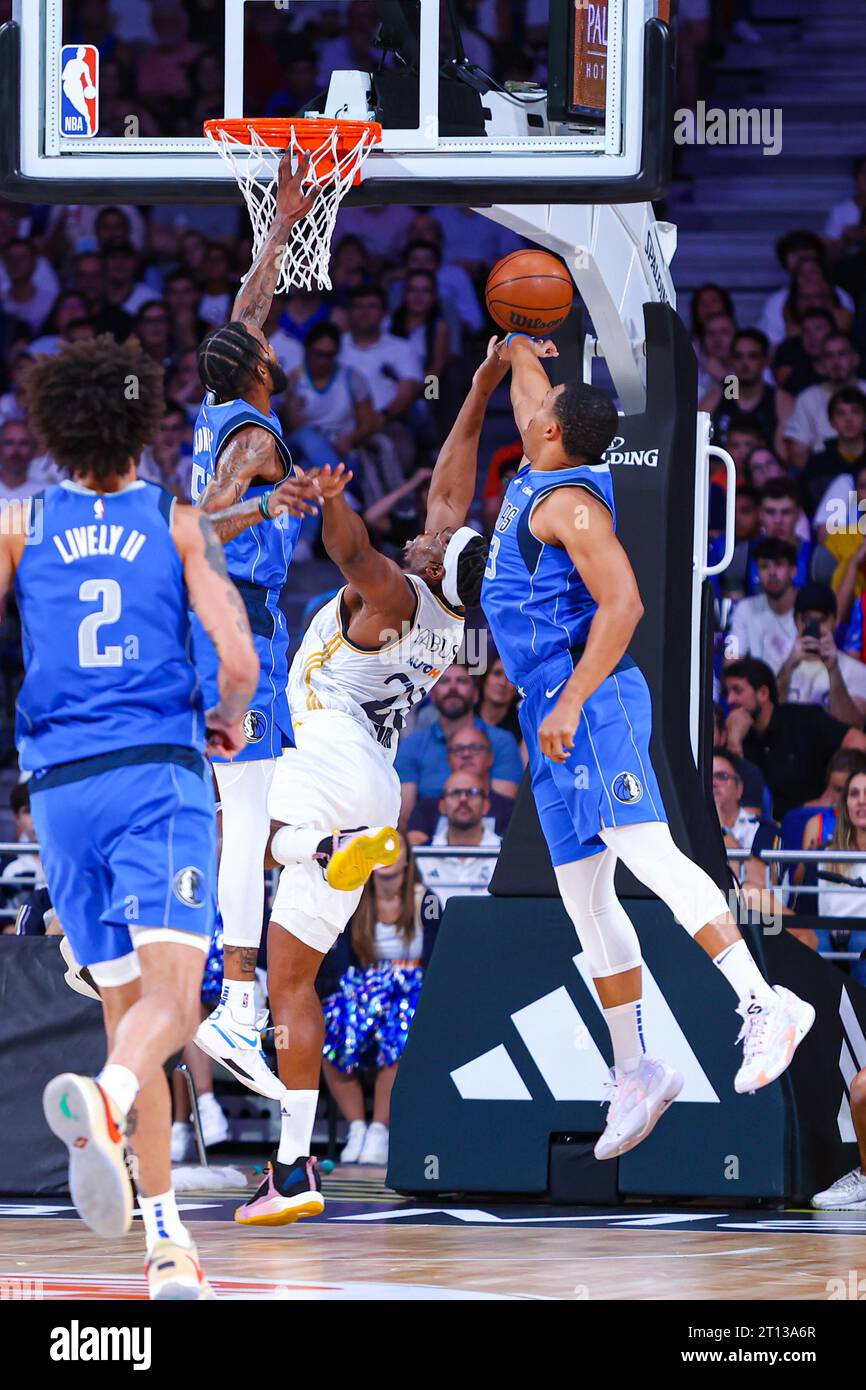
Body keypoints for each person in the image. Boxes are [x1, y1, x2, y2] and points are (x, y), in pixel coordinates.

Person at [480, 332, 816, 1166]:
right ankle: (636, 1070)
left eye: (542, 406)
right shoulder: (540, 461)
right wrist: (512, 348)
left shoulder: (571, 505)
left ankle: (763, 1004)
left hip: (587, 698)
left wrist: (574, 697)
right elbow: (529, 387)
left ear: (553, 433)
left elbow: (624, 606)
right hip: (546, 709)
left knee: (648, 853)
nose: (534, 407)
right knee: (585, 901)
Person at [0, 335, 261, 1299]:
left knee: (131, 1018)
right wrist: (227, 723)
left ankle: (167, 1246)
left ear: (55, 429)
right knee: (176, 1004)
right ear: (142, 422)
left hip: (59, 790)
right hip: (156, 772)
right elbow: (236, 662)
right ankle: (106, 1104)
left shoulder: (19, 520)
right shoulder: (175, 520)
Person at [232, 341, 504, 1226]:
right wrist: (481, 385)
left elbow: (354, 558)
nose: (428, 524)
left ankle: (324, 849)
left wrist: (336, 503)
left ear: (430, 565)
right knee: (291, 980)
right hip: (374, 785)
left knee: (224, 811)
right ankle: (294, 1165)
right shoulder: (455, 612)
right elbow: (453, 486)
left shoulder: (394, 591)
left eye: (431, 539)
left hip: (326, 760)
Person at [188, 154, 324, 1104]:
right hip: (245, 634)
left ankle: (94, 931)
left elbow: (249, 303)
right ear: (265, 368)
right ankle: (238, 1007)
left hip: (212, 628)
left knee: (249, 812)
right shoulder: (256, 439)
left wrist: (281, 222)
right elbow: (205, 517)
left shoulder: (222, 395)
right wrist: (273, 503)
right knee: (246, 823)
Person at [322, 834, 440, 1166]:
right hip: (365, 987)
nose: (387, 857)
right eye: (380, 851)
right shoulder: (354, 900)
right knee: (330, 1027)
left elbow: (435, 958)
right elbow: (343, 961)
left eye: (395, 849)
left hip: (412, 986)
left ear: (407, 859)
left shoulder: (425, 901)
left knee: (399, 1030)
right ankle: (357, 1126)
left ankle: (380, 1129)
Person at [722, 656, 866, 819]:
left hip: (813, 824)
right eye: (727, 692)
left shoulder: (803, 719)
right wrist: (734, 742)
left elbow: (859, 742)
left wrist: (834, 789)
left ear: (763, 693)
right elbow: (729, 794)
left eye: (737, 690)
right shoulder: (735, 733)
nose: (729, 700)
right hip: (759, 832)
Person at [396, 662, 523, 825]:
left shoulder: (501, 741)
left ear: (476, 694)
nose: (453, 688)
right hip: (425, 842)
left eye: (462, 681)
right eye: (444, 681)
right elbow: (405, 815)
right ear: (432, 695)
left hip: (490, 840)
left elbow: (503, 814)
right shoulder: (412, 744)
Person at [408, 724, 516, 842]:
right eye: (458, 749)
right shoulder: (426, 809)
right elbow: (414, 850)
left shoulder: (512, 810)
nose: (466, 754)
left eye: (475, 748)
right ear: (448, 759)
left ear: (490, 757)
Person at [776, 583, 866, 725]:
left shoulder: (857, 671)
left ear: (836, 621)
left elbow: (854, 727)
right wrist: (788, 667)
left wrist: (833, 670)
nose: (815, 628)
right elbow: (769, 721)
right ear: (795, 621)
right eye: (807, 620)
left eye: (822, 620)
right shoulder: (777, 664)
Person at [416, 770, 502, 905]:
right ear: (442, 805)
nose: (463, 799)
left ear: (486, 805)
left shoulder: (506, 856)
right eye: (455, 793)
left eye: (472, 792)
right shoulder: (421, 857)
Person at [725, 537, 797, 672]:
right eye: (764, 566)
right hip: (761, 689)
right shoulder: (744, 609)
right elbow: (731, 662)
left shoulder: (808, 608)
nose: (772, 573)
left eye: (779, 565)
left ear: (793, 571)